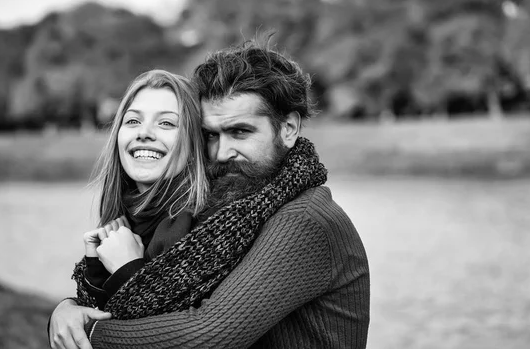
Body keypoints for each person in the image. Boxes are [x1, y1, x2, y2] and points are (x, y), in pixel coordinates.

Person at [49, 39, 370, 349]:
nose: (222, 151)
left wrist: (87, 330)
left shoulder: (304, 221)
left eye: (240, 131)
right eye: (211, 135)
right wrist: (67, 308)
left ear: (287, 129)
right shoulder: (232, 215)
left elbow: (204, 337)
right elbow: (170, 304)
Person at [48, 69, 208, 348]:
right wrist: (68, 310)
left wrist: (128, 268)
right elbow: (104, 314)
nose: (144, 133)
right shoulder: (124, 222)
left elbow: (182, 337)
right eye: (133, 120)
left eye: (167, 124)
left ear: (194, 142)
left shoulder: (207, 227)